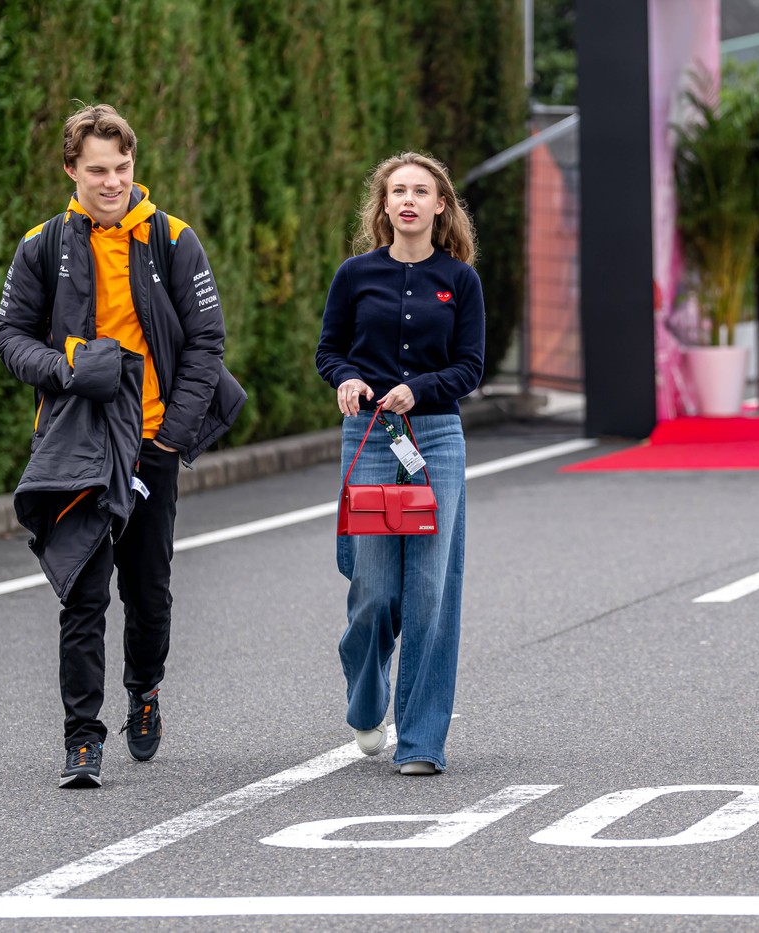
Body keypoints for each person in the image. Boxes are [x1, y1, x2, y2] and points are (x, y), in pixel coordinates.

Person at [0, 104, 245, 788]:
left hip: (152, 445)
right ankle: (82, 738)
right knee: (81, 593)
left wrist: (168, 439)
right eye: (98, 170)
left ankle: (145, 685)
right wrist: (66, 366)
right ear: (71, 170)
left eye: (123, 168)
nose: (112, 182)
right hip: (76, 446)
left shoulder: (173, 239)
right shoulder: (42, 245)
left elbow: (205, 345)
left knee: (149, 593)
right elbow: (13, 338)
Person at [315, 152, 485, 776]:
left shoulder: (460, 281)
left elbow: (471, 367)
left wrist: (423, 388)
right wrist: (348, 378)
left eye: (421, 191)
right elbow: (329, 351)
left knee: (430, 594)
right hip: (369, 436)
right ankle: (366, 691)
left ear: (441, 206)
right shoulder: (354, 275)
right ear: (383, 206)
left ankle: (420, 741)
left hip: (435, 437)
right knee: (375, 590)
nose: (408, 200)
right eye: (397, 191)